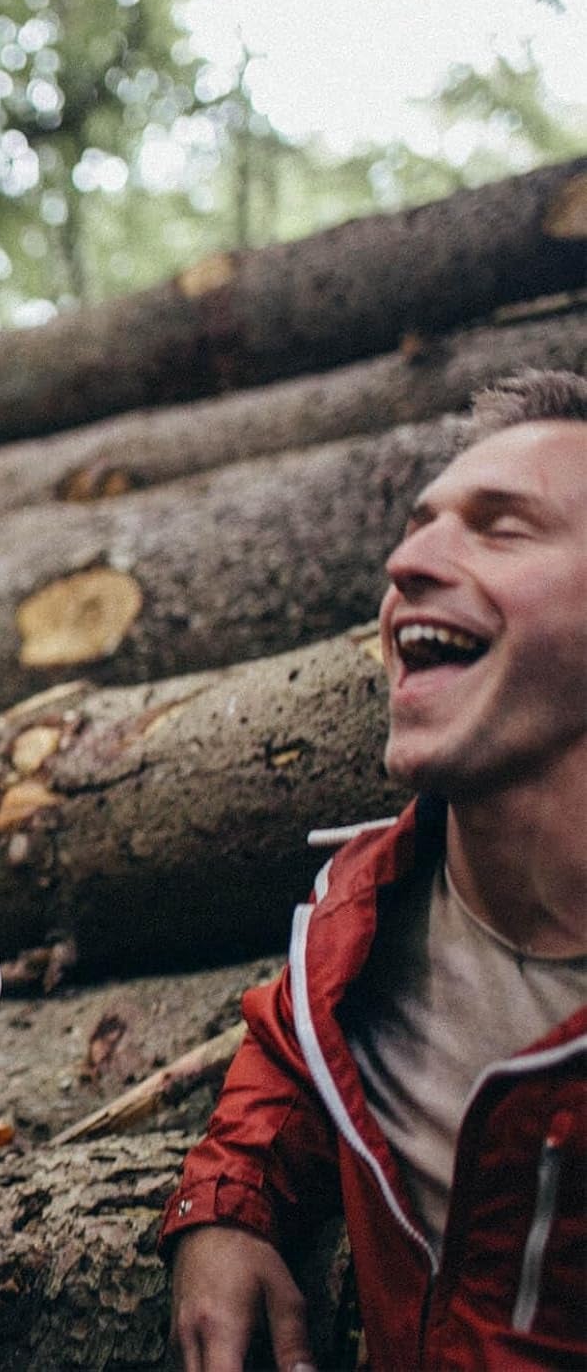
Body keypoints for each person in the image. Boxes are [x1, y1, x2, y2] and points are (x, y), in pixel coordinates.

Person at [161, 368, 587, 1371]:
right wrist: (227, 1202)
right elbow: (294, 1043)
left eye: (503, 525)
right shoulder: (364, 922)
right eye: (420, 524)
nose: (407, 560)